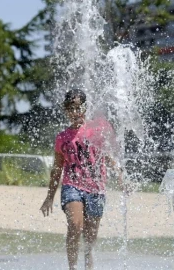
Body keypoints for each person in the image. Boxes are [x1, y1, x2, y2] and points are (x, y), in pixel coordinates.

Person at [40, 89, 126, 270]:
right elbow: (57, 168)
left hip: (96, 188)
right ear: (66, 110)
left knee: (90, 236)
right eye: (71, 109)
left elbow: (108, 157)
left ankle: (88, 265)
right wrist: (49, 196)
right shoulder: (62, 137)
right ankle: (72, 267)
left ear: (85, 108)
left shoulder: (96, 130)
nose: (75, 112)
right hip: (72, 185)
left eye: (79, 108)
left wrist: (120, 177)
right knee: (75, 225)